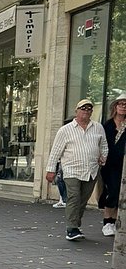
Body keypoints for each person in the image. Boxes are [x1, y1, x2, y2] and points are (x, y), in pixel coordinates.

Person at [45, 99, 108, 241]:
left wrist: (104, 156)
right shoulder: (65, 130)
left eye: (89, 109)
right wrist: (50, 170)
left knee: (83, 200)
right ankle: (71, 228)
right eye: (83, 108)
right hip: (71, 169)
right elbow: (55, 151)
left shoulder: (98, 127)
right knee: (74, 197)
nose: (86, 111)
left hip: (91, 170)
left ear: (92, 112)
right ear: (76, 111)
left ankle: (75, 225)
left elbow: (104, 145)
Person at [100, 94, 126, 237]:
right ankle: (107, 222)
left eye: (125, 104)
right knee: (112, 191)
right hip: (109, 164)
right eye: (120, 104)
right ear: (115, 107)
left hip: (123, 164)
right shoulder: (107, 125)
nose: (123, 107)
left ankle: (114, 221)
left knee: (120, 194)